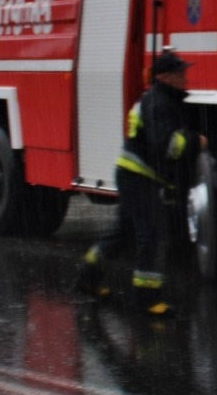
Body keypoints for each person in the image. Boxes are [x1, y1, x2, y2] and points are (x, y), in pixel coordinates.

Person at [78, 51, 205, 314]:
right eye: (180, 74)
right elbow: (166, 146)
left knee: (122, 234)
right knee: (152, 236)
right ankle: (147, 299)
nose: (185, 78)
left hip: (133, 175)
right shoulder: (159, 103)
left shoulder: (158, 99)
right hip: (139, 177)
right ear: (165, 77)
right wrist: (195, 141)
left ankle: (86, 279)